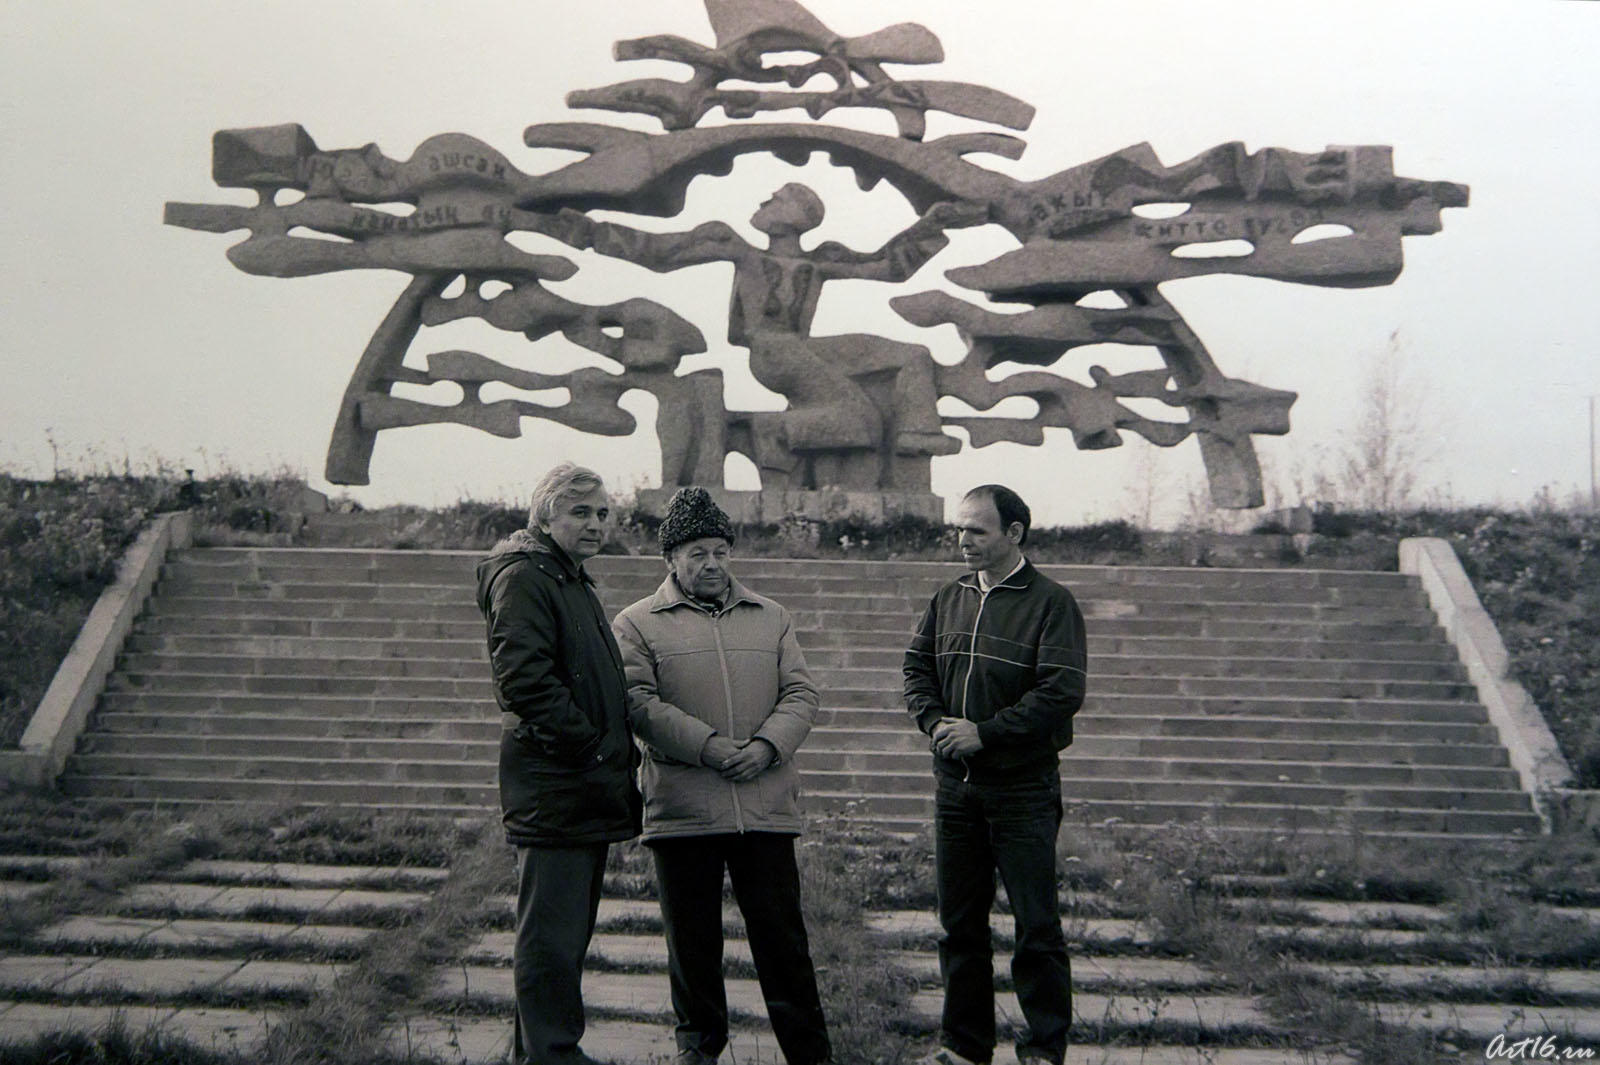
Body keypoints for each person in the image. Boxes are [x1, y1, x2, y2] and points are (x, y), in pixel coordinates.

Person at [612, 486, 832, 1065]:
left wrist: (766, 746)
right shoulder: (637, 623)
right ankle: (699, 1047)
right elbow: (637, 703)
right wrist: (709, 749)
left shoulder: (772, 617)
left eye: (719, 551)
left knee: (783, 940)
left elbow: (802, 693)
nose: (711, 564)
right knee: (692, 942)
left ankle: (810, 1052)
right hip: (684, 806)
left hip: (764, 802)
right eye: (696, 553)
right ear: (670, 561)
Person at [903, 484, 1088, 1065]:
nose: (963, 542)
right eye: (959, 530)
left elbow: (1062, 691)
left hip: (1022, 789)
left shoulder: (1051, 603)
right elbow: (916, 668)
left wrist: (986, 732)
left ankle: (1043, 1048)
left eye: (977, 531)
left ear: (1014, 533)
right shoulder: (948, 597)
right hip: (954, 789)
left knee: (1036, 926)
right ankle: (964, 1045)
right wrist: (935, 722)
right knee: (958, 926)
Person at [475, 462, 642, 1065]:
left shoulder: (567, 575)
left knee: (563, 934)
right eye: (580, 512)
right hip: (558, 780)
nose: (596, 523)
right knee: (551, 936)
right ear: (545, 514)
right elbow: (524, 683)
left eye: (602, 512)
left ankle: (540, 1052)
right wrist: (592, 749)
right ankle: (552, 1053)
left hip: (579, 781)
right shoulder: (524, 576)